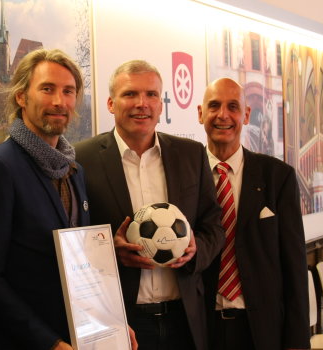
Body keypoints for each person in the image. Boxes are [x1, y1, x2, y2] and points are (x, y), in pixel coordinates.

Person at [74, 60, 223, 350]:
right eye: (130, 94)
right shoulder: (82, 159)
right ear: (110, 104)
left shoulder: (191, 154)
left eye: (152, 95)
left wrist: (195, 249)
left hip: (185, 319)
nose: (142, 104)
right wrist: (110, 253)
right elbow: (73, 237)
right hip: (122, 321)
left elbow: (213, 224)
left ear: (161, 104)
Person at [0, 48, 94, 350]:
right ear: (21, 96)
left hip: (75, 337)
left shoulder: (73, 170)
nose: (59, 101)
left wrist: (107, 322)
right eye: (47, 89)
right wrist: (49, 342)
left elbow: (76, 263)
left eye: (68, 91)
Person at [198, 78, 309, 350]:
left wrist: (297, 341)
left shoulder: (277, 176)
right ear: (200, 113)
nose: (223, 115)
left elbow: (294, 264)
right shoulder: (185, 176)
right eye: (214, 106)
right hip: (201, 327)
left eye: (233, 107)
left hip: (261, 329)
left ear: (246, 115)